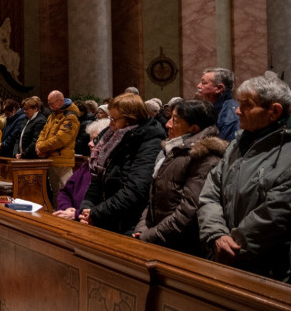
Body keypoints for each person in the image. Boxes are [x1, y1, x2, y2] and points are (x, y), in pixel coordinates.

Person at [197, 71, 291, 282]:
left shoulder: (286, 153)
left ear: (274, 112)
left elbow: (274, 216)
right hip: (222, 257)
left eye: (246, 105)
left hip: (267, 271)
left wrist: (232, 246)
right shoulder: (237, 144)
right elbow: (210, 193)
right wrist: (216, 235)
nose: (238, 111)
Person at [132, 99, 226, 256]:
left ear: (194, 128)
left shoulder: (204, 157)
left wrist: (150, 235)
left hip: (182, 246)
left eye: (175, 121)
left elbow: (189, 210)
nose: (168, 125)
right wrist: (143, 227)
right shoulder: (175, 150)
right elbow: (154, 196)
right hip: (158, 238)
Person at [79, 93, 166, 235]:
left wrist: (96, 213)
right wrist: (86, 208)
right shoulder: (111, 135)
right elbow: (97, 179)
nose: (110, 123)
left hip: (126, 222)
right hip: (104, 215)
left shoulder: (149, 141)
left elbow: (135, 190)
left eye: (114, 119)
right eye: (110, 118)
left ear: (130, 119)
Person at [52, 118, 110, 220]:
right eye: (90, 139)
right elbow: (65, 192)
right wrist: (67, 208)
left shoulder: (110, 170)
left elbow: (104, 205)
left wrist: (76, 214)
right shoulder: (86, 166)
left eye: (95, 140)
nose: (90, 144)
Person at [36, 90, 81, 194]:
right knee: (55, 192)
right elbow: (43, 132)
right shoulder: (53, 115)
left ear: (60, 101)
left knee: (66, 192)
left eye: (51, 103)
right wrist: (38, 145)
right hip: (50, 158)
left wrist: (41, 147)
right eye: (49, 104)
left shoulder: (70, 116)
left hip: (62, 160)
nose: (50, 106)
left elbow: (61, 139)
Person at [196, 67, 239, 141]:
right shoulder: (212, 107)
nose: (198, 86)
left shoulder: (230, 116)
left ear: (219, 88)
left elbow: (226, 146)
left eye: (204, 83)